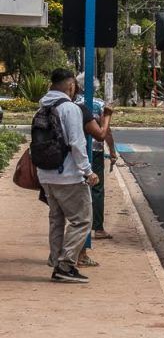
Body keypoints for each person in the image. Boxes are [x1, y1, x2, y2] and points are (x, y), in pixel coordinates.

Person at [37, 68, 99, 283]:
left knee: (56, 220)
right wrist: (88, 171)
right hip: (68, 175)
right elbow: (77, 143)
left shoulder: (42, 107)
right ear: (71, 85)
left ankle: (56, 261)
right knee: (82, 221)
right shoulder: (69, 108)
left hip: (46, 175)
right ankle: (65, 265)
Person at [75, 74, 116, 248]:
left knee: (77, 187)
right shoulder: (98, 104)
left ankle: (77, 225)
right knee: (97, 188)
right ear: (95, 87)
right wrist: (112, 151)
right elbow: (106, 131)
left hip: (76, 151)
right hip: (96, 150)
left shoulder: (73, 103)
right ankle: (98, 228)